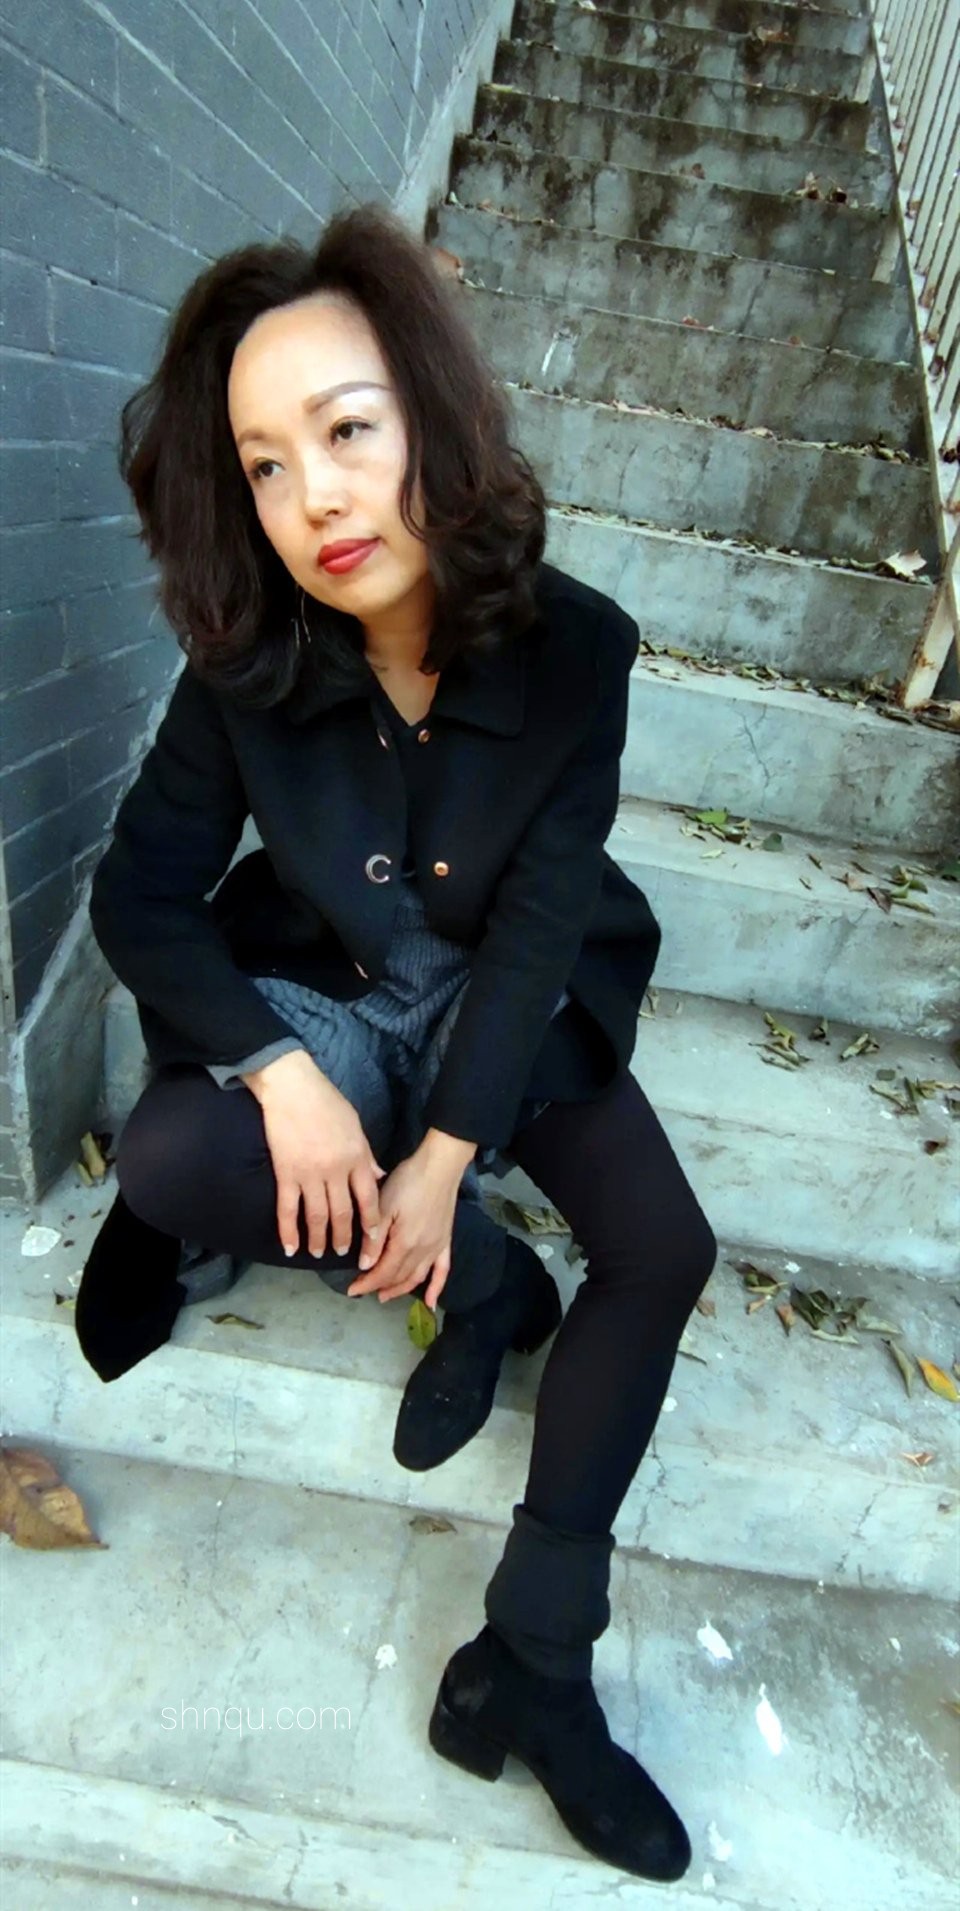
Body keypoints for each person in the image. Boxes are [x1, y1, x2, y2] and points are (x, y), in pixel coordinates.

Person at [74, 203, 717, 1882]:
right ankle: (488, 1290)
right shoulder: (248, 659)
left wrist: (442, 1158)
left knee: (663, 1248)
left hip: (508, 984)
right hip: (333, 988)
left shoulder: (577, 650)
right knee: (176, 1153)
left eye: (348, 431)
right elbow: (140, 894)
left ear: (432, 415)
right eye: (265, 466)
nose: (315, 500)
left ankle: (534, 1664)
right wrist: (283, 1075)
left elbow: (542, 920)